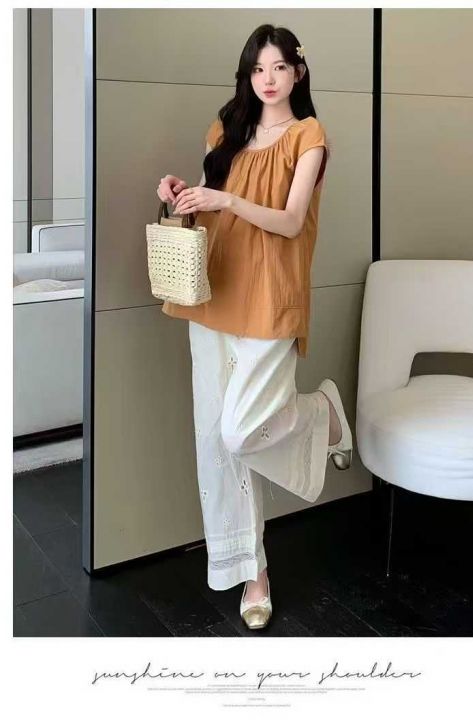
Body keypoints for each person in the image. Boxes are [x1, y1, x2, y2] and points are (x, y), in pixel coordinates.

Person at [155, 24, 353, 631]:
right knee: (215, 438)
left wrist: (226, 202)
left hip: (270, 295)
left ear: (298, 72)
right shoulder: (226, 130)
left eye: (279, 67)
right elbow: (210, 203)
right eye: (257, 69)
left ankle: (320, 414)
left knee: (242, 431)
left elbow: (291, 222)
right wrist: (184, 196)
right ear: (247, 75)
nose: (268, 79)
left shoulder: (308, 135)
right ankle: (252, 572)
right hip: (215, 290)